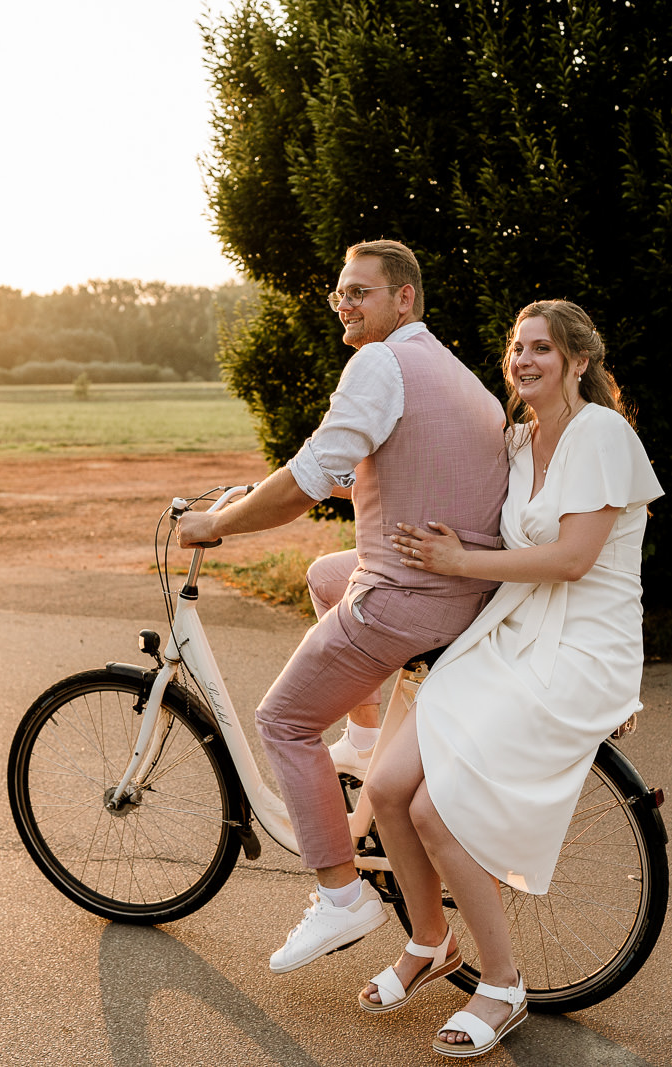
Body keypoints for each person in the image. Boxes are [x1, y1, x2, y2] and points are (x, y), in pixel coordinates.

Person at [175, 239, 509, 974]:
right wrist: (253, 493)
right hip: (464, 589)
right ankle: (361, 743)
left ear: (404, 299)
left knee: (284, 720)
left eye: (361, 291)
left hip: (408, 602)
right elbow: (363, 465)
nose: (346, 305)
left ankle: (340, 893)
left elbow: (306, 481)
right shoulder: (446, 370)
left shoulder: (378, 364)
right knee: (327, 573)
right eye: (340, 293)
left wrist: (217, 522)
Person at [360, 299, 662, 1058]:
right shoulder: (520, 441)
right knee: (387, 787)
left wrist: (460, 564)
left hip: (581, 646)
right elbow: (443, 480)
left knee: (439, 808)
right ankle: (432, 941)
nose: (524, 360)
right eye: (517, 348)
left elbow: (571, 560)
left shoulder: (603, 435)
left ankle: (502, 984)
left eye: (542, 349)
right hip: (512, 633)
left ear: (578, 362)